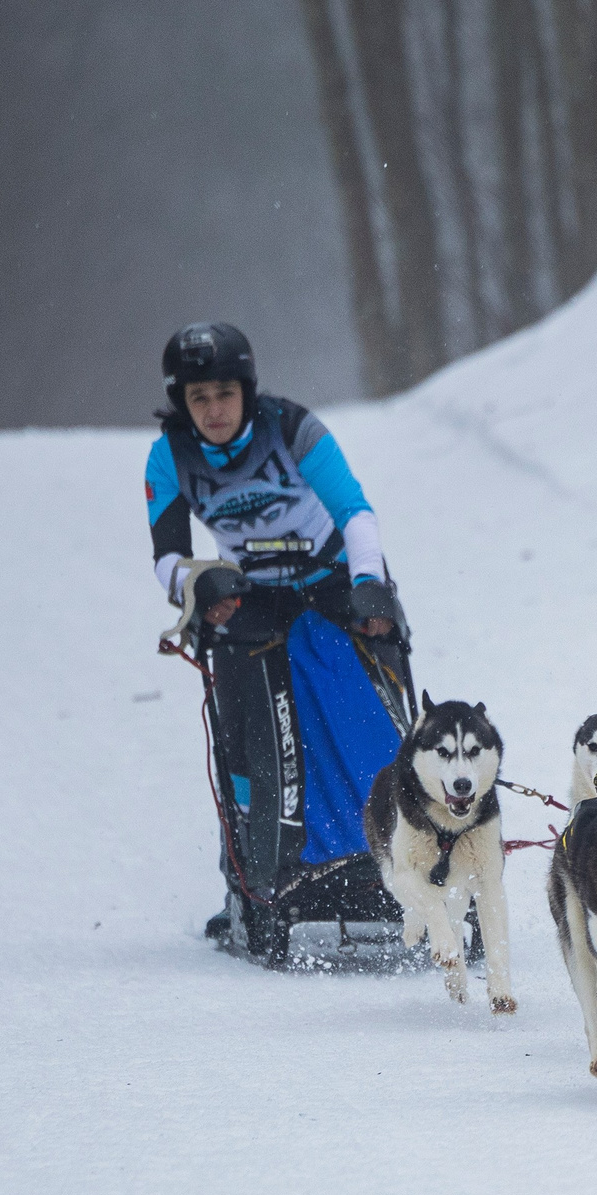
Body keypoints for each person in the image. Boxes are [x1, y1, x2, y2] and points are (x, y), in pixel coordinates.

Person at [145, 323, 410, 946]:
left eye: (224, 394)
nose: (213, 410)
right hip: (253, 596)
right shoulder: (169, 456)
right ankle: (254, 875)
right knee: (248, 739)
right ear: (182, 402)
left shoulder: (292, 429)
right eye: (198, 398)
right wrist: (194, 583)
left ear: (247, 391)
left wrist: (369, 583)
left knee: (362, 719)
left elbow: (355, 513)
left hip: (335, 580)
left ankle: (403, 852)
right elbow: (166, 556)